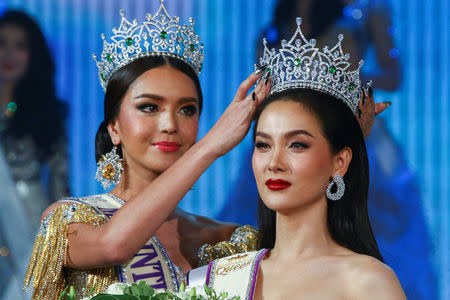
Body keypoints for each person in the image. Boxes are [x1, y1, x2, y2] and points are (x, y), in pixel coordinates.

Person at [24, 3, 269, 299]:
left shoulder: (230, 241)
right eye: (149, 107)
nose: (169, 124)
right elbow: (114, 246)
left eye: (187, 110)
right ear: (114, 127)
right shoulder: (72, 219)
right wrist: (211, 146)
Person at [188, 18, 406, 299]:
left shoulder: (368, 282)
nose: (274, 162)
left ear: (339, 162)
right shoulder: (216, 279)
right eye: (264, 145)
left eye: (297, 145)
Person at [0, 10, 69, 299]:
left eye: (20, 46)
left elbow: (59, 180)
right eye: (2, 43)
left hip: (27, 222)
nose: (9, 54)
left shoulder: (48, 113)